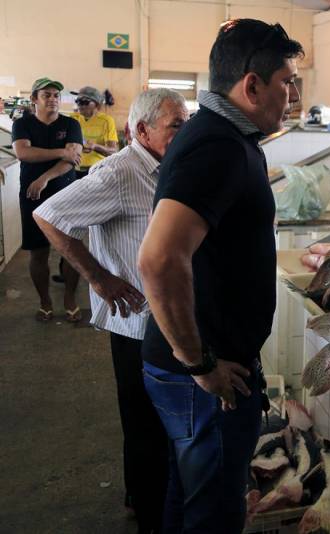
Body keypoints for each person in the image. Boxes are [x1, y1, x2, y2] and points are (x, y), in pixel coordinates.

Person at [137, 19, 302, 532]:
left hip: (202, 368)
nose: (293, 95)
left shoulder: (228, 137)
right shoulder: (218, 146)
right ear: (251, 86)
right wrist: (200, 362)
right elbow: (159, 261)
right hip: (205, 377)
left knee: (190, 494)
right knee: (214, 511)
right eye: (286, 82)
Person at [33, 88, 188, 533]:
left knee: (151, 423)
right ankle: (151, 515)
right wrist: (98, 278)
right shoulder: (120, 173)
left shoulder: (163, 167)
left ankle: (138, 493)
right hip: (135, 321)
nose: (185, 131)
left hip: (159, 320)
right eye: (176, 124)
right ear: (142, 130)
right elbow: (49, 216)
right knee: (145, 425)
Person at [11, 77, 83, 322]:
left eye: (56, 95)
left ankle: (70, 298)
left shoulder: (71, 124)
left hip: (66, 195)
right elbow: (23, 153)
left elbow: (72, 160)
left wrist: (44, 178)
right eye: (46, 95)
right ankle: (45, 301)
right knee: (38, 252)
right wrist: (62, 151)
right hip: (33, 197)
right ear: (34, 99)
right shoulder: (22, 124)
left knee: (71, 250)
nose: (52, 99)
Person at [70, 86, 118, 178]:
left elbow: (113, 151)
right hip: (74, 169)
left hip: (97, 170)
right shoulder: (73, 119)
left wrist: (95, 147)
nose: (80, 105)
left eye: (84, 102)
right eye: (77, 101)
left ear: (96, 104)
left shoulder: (106, 121)